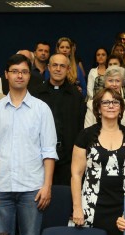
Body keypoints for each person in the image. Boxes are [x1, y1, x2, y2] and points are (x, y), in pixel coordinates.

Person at [0, 54, 58, 235]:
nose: (19, 76)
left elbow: (49, 151)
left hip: (32, 188)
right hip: (1, 187)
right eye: (15, 71)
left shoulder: (42, 109)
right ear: (6, 75)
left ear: (29, 75)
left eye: (24, 72)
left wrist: (47, 185)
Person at [71, 88, 125, 235]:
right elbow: (76, 174)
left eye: (115, 102)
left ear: (121, 108)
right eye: (106, 102)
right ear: (98, 107)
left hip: (123, 208)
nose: (111, 106)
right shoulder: (85, 135)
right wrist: (77, 207)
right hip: (92, 206)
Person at [33, 54, 85, 186]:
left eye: (62, 66)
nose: (58, 69)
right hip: (39, 160)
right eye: (55, 65)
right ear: (48, 68)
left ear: (68, 69)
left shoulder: (76, 96)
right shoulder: (36, 95)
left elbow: (81, 128)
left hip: (68, 161)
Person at [83, 66, 125, 130]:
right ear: (105, 83)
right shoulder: (91, 105)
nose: (114, 84)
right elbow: (87, 132)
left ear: (122, 83)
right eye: (110, 80)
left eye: (117, 81)